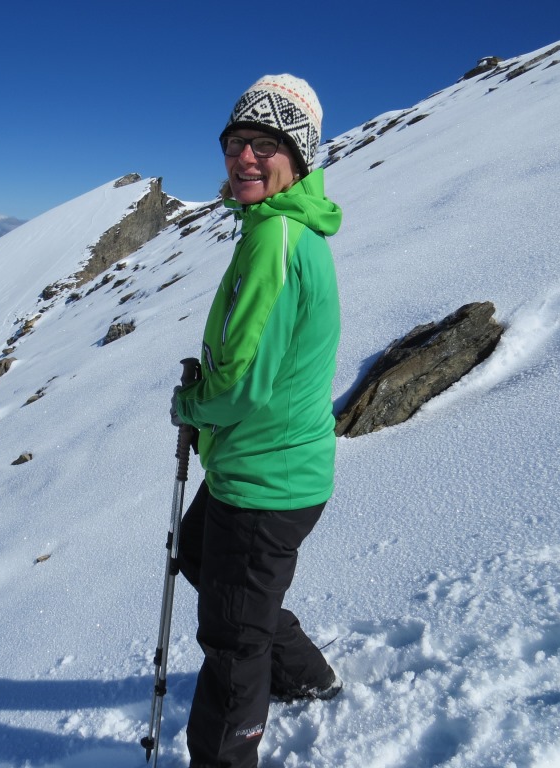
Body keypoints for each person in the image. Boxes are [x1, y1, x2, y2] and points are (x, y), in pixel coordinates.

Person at [170, 74, 343, 768]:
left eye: (265, 145)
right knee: (197, 555)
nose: (244, 157)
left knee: (232, 643)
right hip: (259, 463)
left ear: (297, 158)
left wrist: (190, 405)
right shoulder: (272, 228)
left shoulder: (277, 239)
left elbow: (242, 388)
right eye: (235, 141)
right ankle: (306, 674)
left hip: (266, 480)